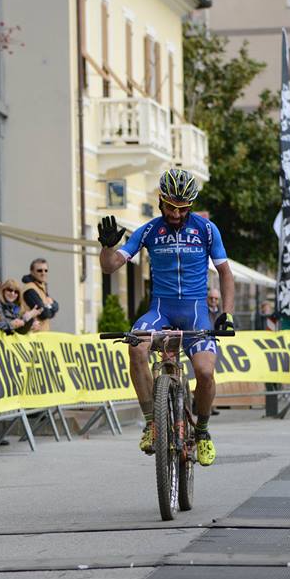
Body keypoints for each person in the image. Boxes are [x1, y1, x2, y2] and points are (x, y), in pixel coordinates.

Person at [98, 168, 235, 467]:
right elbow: (111, 267)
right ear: (160, 201)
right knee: (135, 348)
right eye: (171, 206)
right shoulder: (147, 230)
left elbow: (225, 273)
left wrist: (227, 314)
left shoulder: (207, 230)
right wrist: (107, 247)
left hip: (196, 312)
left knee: (206, 373)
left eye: (183, 208)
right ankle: (152, 423)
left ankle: (202, 431)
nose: (176, 213)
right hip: (160, 310)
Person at [22, 258, 59, 331]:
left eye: (46, 270)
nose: (43, 273)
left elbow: (56, 305)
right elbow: (44, 314)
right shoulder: (30, 289)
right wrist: (51, 308)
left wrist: (49, 307)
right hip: (34, 336)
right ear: (32, 272)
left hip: (42, 335)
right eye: (39, 270)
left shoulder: (41, 287)